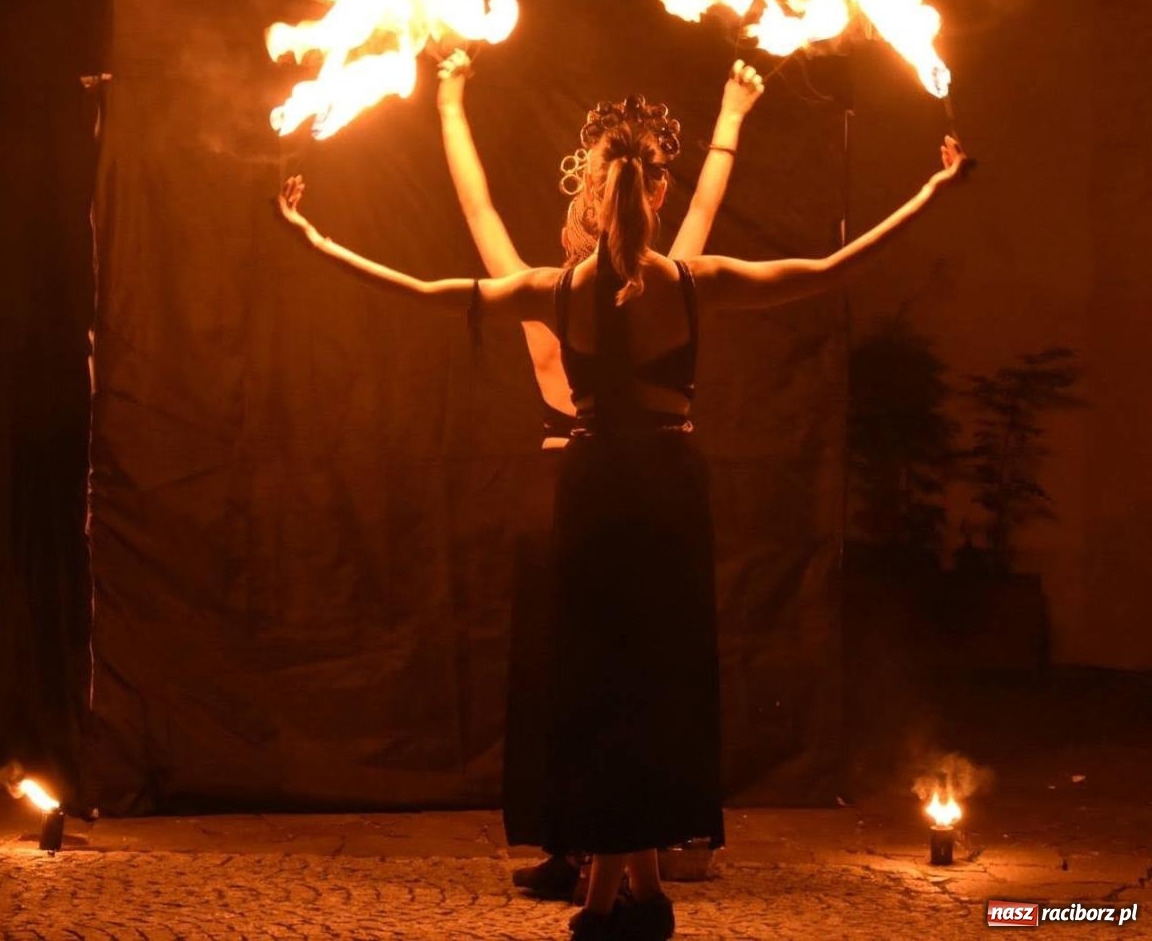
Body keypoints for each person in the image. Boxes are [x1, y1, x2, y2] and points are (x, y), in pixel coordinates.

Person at [277, 110, 969, 940]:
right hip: (669, 490)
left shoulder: (556, 288)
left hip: (594, 486)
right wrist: (934, 190)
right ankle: (632, 898)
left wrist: (310, 240)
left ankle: (622, 900)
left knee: (602, 684)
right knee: (654, 683)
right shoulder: (692, 280)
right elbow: (829, 268)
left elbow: (425, 294)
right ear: (655, 193)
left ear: (595, 200)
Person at [434, 52, 764, 901]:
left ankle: (587, 846)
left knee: (570, 675)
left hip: (566, 498)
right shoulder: (654, 285)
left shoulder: (551, 293)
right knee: (624, 667)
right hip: (604, 496)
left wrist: (449, 101)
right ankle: (615, 845)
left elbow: (478, 207)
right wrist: (730, 116)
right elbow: (708, 208)